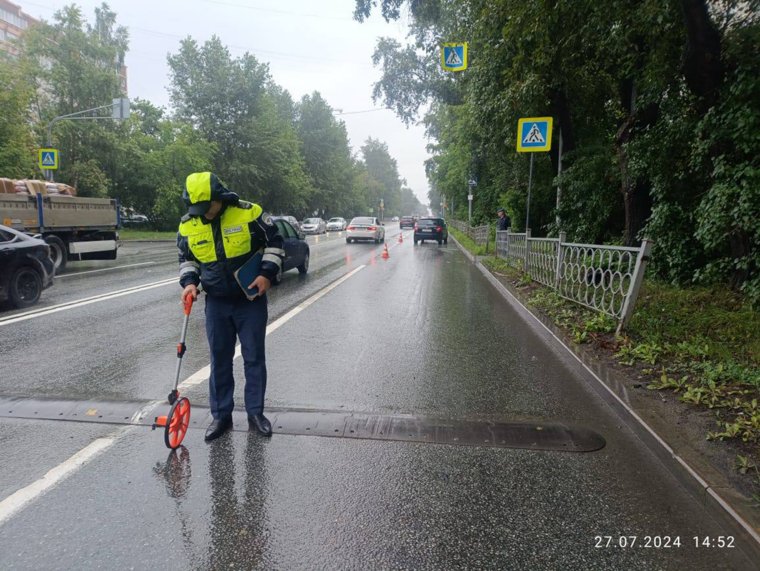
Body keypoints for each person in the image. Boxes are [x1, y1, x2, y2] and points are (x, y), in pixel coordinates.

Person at [177, 172, 285, 442]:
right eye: (197, 209)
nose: (203, 214)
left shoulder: (249, 213)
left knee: (253, 358)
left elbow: (275, 242)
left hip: (249, 301)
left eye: (207, 208)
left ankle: (255, 414)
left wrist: (267, 274)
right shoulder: (188, 224)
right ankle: (221, 416)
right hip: (216, 303)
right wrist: (189, 283)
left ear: (220, 198)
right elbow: (186, 258)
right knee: (219, 361)